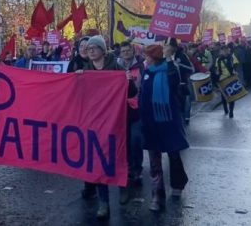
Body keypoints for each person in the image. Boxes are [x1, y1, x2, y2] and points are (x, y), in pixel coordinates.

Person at [77, 35, 137, 220]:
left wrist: (128, 81)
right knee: (98, 161)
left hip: (117, 120)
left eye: (95, 47)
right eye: (89, 48)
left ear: (103, 50)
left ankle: (124, 184)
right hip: (96, 122)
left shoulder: (117, 68)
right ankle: (104, 203)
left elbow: (132, 93)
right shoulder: (85, 71)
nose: (91, 50)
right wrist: (76, 80)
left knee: (118, 156)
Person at [140, 44, 189, 212]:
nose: (145, 59)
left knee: (173, 154)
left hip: (167, 121)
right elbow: (142, 94)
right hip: (151, 123)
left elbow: (175, 81)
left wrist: (169, 58)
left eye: (147, 56)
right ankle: (157, 196)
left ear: (154, 57)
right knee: (154, 161)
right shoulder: (147, 72)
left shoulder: (169, 69)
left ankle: (178, 183)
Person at [117, 41, 145, 189]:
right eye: (123, 51)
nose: (126, 53)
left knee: (135, 140)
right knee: (124, 141)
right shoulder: (116, 66)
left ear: (133, 52)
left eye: (128, 51)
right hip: (120, 110)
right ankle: (127, 168)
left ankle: (137, 169)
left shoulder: (140, 66)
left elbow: (144, 86)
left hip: (136, 109)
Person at [213, 45, 239, 118]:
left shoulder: (232, 57)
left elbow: (236, 64)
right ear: (221, 51)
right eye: (223, 50)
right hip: (222, 79)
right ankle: (225, 109)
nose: (225, 51)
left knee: (232, 96)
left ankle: (231, 111)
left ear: (228, 50)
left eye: (226, 50)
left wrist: (235, 71)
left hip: (231, 78)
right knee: (224, 96)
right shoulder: (218, 59)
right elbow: (216, 69)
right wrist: (217, 73)